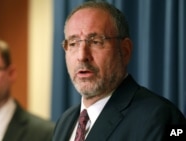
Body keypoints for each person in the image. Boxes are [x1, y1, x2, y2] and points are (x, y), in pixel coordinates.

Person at [52, 1, 186, 141]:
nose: (82, 56)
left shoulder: (163, 119)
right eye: (73, 43)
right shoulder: (65, 121)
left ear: (125, 50)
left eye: (96, 42)